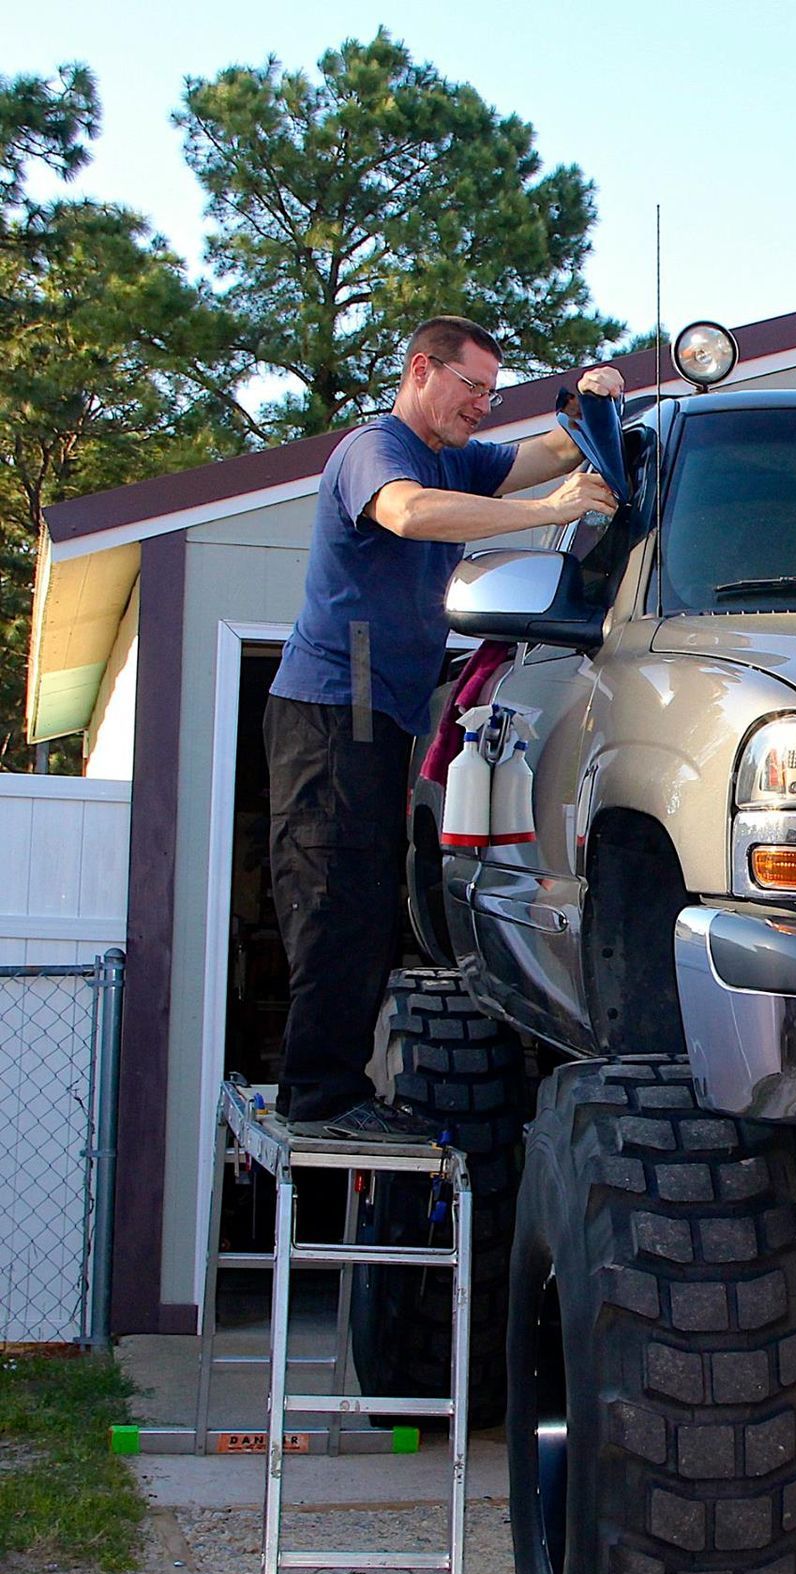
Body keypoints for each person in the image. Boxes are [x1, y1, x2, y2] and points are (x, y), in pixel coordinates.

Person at [265, 314, 621, 1136]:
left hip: (376, 712)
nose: (483, 410)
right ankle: (319, 1102)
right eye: (473, 390)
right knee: (333, 898)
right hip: (330, 709)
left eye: (494, 396)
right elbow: (411, 514)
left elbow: (548, 453)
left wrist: (588, 398)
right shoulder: (377, 452)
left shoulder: (455, 456)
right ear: (422, 369)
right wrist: (549, 511)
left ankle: (334, 1092)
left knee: (362, 901)